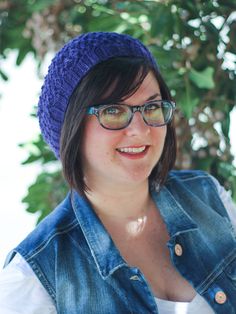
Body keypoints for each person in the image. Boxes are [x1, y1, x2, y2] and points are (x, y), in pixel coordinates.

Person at [0, 32, 236, 314]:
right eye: (112, 110)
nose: (140, 129)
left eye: (151, 106)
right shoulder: (35, 278)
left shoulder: (208, 196)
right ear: (71, 128)